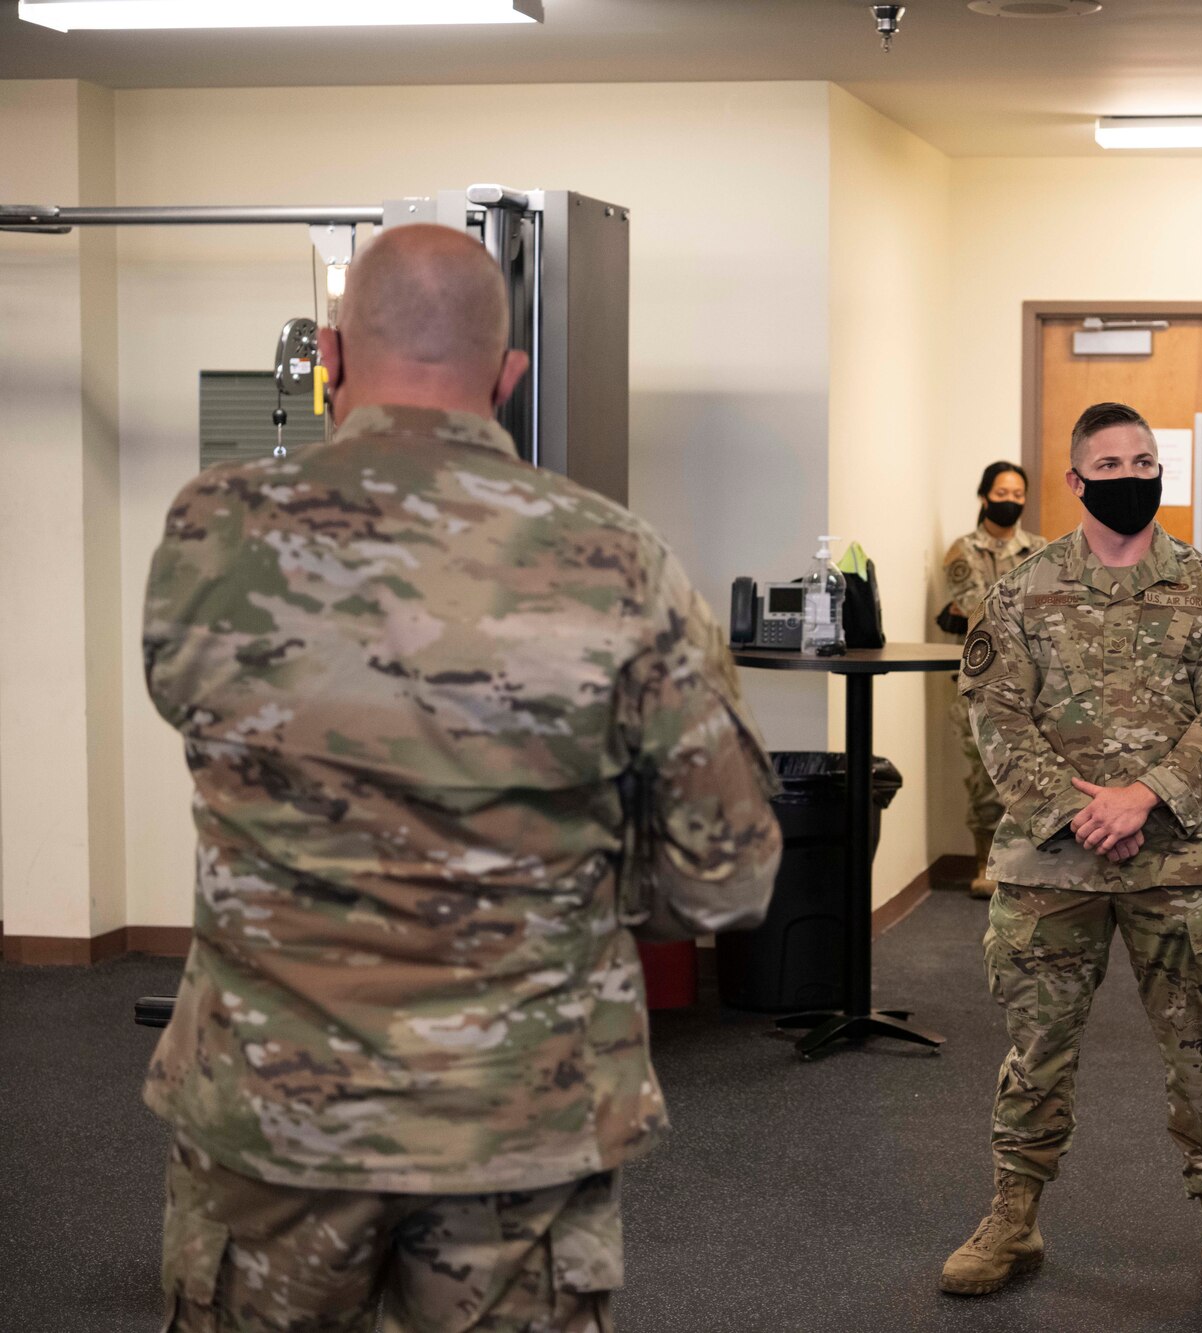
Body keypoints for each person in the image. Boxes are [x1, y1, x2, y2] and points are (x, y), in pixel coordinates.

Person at [142, 224, 781, 1332]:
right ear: (507, 374)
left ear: (330, 357)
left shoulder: (215, 530)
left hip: (275, 1101)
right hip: (514, 1111)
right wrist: (563, 891)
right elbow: (726, 875)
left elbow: (206, 727)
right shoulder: (616, 558)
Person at [941, 402, 1202, 1311]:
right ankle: (1014, 1213)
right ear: (1076, 480)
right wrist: (1069, 807)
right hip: (1053, 860)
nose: (1133, 476)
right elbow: (994, 713)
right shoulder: (1021, 588)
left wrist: (1147, 794)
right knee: (1036, 1044)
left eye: (1146, 461)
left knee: (1199, 1045)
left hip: (1179, 858)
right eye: (1113, 463)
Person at [938, 461, 1047, 898]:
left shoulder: (1040, 548)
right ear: (984, 497)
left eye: (1018, 494)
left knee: (1036, 770)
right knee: (985, 776)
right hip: (980, 682)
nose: (1010, 501)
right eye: (1001, 494)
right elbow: (981, 608)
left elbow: (1050, 609)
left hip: (1037, 684)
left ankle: (1027, 860)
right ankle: (984, 862)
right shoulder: (962, 551)